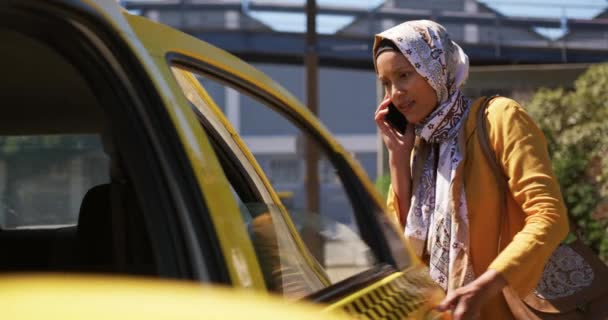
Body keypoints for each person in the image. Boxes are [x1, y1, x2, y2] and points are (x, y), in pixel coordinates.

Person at [373, 20, 569, 320]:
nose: (395, 93)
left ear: (435, 69)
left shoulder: (499, 118)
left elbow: (549, 217)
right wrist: (398, 160)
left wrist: (486, 285)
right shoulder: (419, 149)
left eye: (403, 75)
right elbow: (401, 252)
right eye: (386, 83)